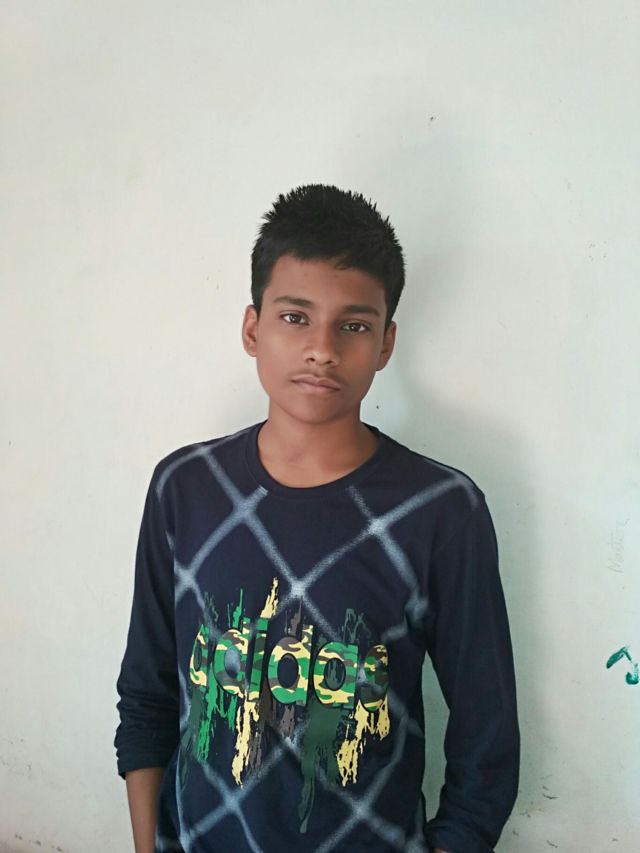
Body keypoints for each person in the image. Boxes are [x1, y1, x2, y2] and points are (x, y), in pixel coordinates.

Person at [114, 184, 520, 853]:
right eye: (295, 317)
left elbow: (488, 735)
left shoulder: (441, 511)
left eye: (353, 325)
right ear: (253, 329)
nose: (322, 349)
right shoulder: (184, 489)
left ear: (386, 343)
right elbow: (146, 695)